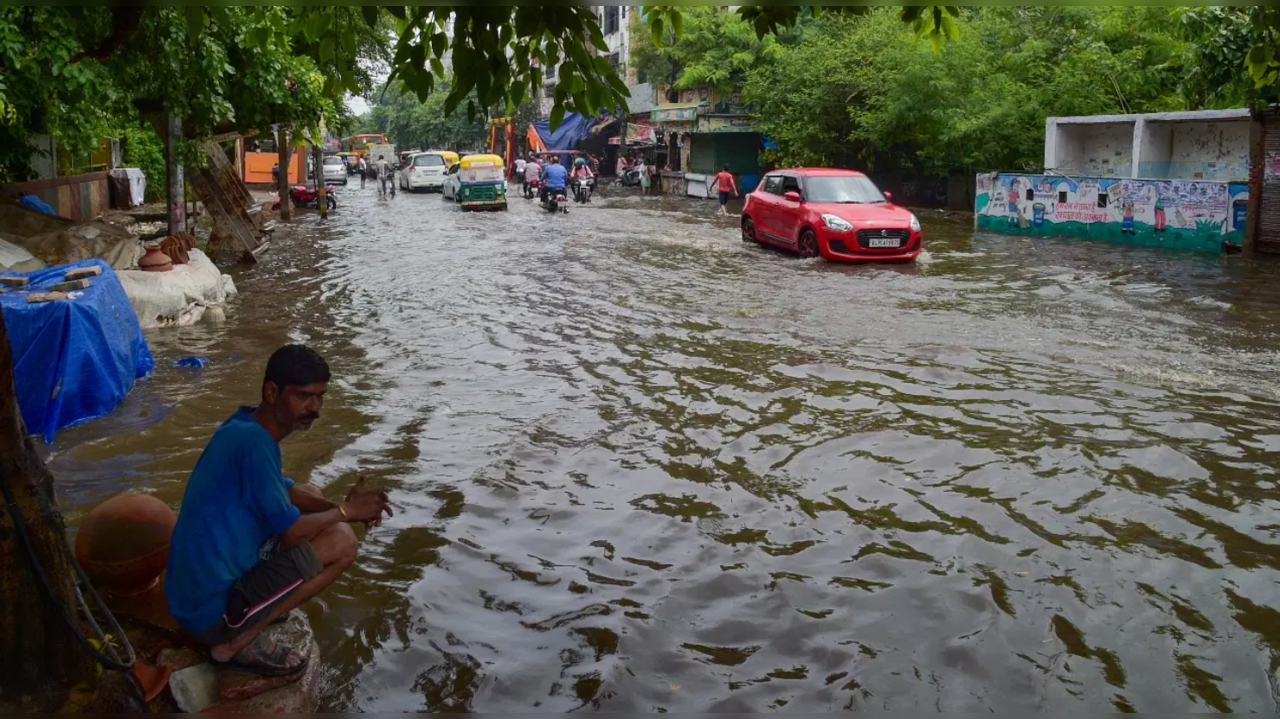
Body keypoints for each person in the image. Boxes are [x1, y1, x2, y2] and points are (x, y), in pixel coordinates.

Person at [166, 345, 392, 677]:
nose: (313, 408)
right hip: (211, 612)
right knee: (343, 542)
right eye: (302, 396)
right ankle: (240, 638)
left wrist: (337, 507)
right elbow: (291, 534)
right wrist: (346, 512)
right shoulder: (257, 445)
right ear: (272, 392)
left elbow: (285, 489)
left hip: (190, 598)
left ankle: (261, 607)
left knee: (311, 494)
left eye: (319, 397)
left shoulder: (244, 426)